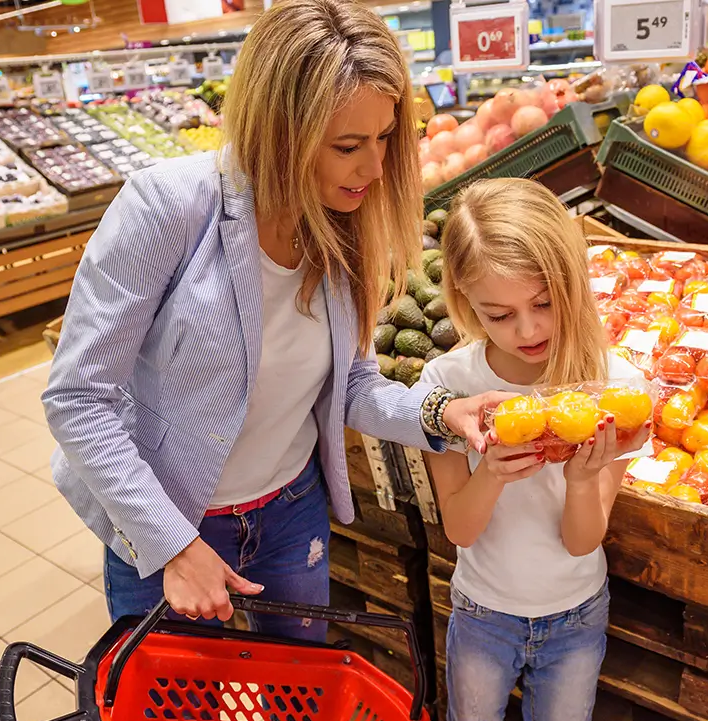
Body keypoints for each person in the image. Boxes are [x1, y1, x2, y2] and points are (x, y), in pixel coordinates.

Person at [42, 0, 508, 641]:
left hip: (291, 510)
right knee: (181, 707)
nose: (375, 168)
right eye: (349, 145)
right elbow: (77, 399)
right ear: (280, 131)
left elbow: (356, 384)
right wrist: (173, 544)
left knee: (297, 690)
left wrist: (438, 414)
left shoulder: (344, 224)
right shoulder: (168, 209)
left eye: (386, 139)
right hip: (171, 520)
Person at [420, 178, 652, 721]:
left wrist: (580, 481)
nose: (527, 329)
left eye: (544, 302)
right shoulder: (451, 386)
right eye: (499, 315)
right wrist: (492, 474)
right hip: (482, 613)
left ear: (572, 281)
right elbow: (460, 529)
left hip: (576, 614)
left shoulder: (616, 387)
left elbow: (581, 542)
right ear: (463, 299)